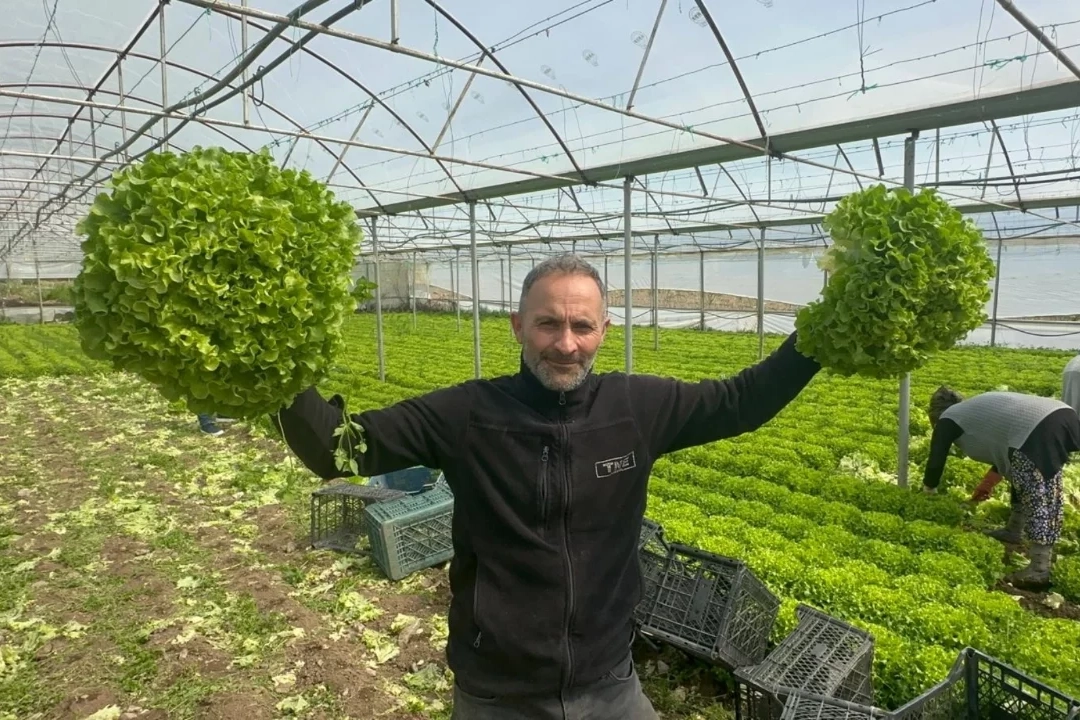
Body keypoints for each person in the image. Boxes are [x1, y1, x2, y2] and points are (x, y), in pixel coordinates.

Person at [274, 254, 822, 720]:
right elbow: (339, 449)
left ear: (605, 331)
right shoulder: (467, 415)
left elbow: (742, 402)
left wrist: (821, 332)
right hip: (499, 693)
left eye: (582, 326)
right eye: (547, 324)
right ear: (517, 326)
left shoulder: (636, 409)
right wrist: (275, 360)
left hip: (610, 682)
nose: (566, 344)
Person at [923, 386, 1080, 590]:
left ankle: (1039, 569)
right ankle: (1014, 530)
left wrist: (929, 489)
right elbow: (1008, 457)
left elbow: (936, 458)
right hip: (1061, 415)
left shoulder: (949, 418)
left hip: (1038, 427)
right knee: (1036, 481)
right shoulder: (973, 410)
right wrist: (987, 483)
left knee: (1038, 494)